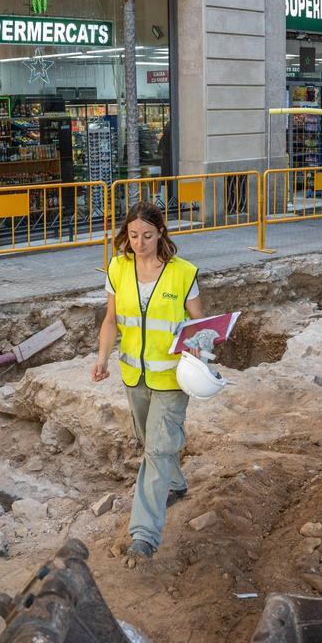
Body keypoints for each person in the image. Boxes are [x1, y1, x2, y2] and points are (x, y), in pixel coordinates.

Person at [91, 202, 201, 567]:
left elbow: (201, 326)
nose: (140, 243)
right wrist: (102, 358)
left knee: (155, 451)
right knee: (150, 440)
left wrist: (201, 346)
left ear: (161, 233)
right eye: (134, 236)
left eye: (148, 236)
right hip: (133, 375)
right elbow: (111, 320)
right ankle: (176, 483)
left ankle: (144, 535)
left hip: (171, 378)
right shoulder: (117, 268)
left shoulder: (183, 273)